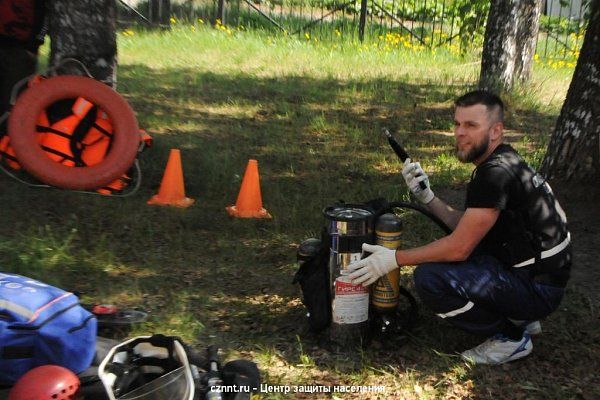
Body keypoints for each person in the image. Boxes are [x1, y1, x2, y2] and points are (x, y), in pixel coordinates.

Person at [348, 90, 571, 365]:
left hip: (539, 288)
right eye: (457, 124)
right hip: (539, 275)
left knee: (430, 278)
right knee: (462, 251)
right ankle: (520, 313)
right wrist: (427, 196)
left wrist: (393, 260)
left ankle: (511, 337)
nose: (460, 133)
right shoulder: (503, 160)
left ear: (496, 130)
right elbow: (466, 228)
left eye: (471, 125)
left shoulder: (494, 174)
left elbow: (459, 248)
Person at [0, 0, 46, 126]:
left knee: (14, 101)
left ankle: (8, 142)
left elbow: (45, 13)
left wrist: (33, 45)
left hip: (20, 48)